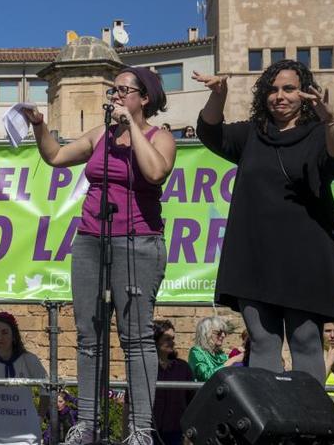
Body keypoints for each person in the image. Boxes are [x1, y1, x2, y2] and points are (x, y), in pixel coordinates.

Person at [22, 66, 176, 445]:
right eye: (114, 90)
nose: (116, 95)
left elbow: (155, 172)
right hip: (92, 239)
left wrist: (132, 129)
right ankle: (87, 424)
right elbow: (56, 156)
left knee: (136, 337)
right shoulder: (100, 135)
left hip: (138, 241)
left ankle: (140, 429)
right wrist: (40, 125)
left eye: (124, 90)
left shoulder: (161, 136)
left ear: (145, 98)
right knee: (89, 337)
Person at [193, 60, 334, 382]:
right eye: (272, 89)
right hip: (254, 257)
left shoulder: (317, 134)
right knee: (263, 341)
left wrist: (331, 120)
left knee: (306, 341)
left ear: (305, 94)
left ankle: (308, 426)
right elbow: (210, 133)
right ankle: (269, 426)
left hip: (306, 258)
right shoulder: (252, 134)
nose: (279, 96)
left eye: (289, 89)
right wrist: (218, 94)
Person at [0, 312, 48, 445]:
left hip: (27, 435)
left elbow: (46, 388)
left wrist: (39, 418)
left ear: (13, 335)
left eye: (4, 332)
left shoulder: (29, 360)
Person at [151, 320, 193, 445]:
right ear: (156, 340)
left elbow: (191, 402)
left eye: (173, 338)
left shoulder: (183, 367)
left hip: (176, 433)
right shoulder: (146, 367)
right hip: (149, 432)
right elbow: (129, 401)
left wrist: (189, 434)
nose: (172, 342)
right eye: (167, 338)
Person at [187, 316, 243, 382]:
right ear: (206, 333)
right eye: (218, 332)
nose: (223, 335)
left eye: (224, 332)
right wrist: (232, 360)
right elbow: (206, 376)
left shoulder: (221, 354)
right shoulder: (197, 351)